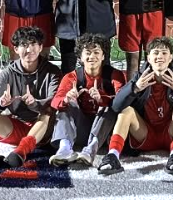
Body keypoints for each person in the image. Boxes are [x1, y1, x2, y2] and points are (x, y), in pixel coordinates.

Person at [98, 36, 173, 175]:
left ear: (170, 58)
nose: (159, 56)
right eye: (155, 53)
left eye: (164, 53)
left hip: (170, 133)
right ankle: (113, 156)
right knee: (127, 110)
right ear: (148, 58)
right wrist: (135, 88)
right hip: (145, 133)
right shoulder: (140, 77)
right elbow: (116, 106)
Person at [0, 26, 61, 170]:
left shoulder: (53, 71)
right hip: (16, 127)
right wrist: (0, 103)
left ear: (40, 47)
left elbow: (55, 100)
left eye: (33, 44)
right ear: (16, 49)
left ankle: (22, 152)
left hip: (42, 130)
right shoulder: (8, 72)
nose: (29, 49)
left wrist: (35, 103)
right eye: (24, 45)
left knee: (47, 112)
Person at [48, 33, 126, 168]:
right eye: (88, 53)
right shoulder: (71, 77)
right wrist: (66, 99)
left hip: (104, 131)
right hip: (80, 129)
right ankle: (65, 148)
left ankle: (91, 150)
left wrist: (102, 98)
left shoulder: (115, 75)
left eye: (96, 52)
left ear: (103, 56)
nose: (92, 56)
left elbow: (123, 101)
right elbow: (55, 102)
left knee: (109, 106)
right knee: (66, 104)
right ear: (80, 57)